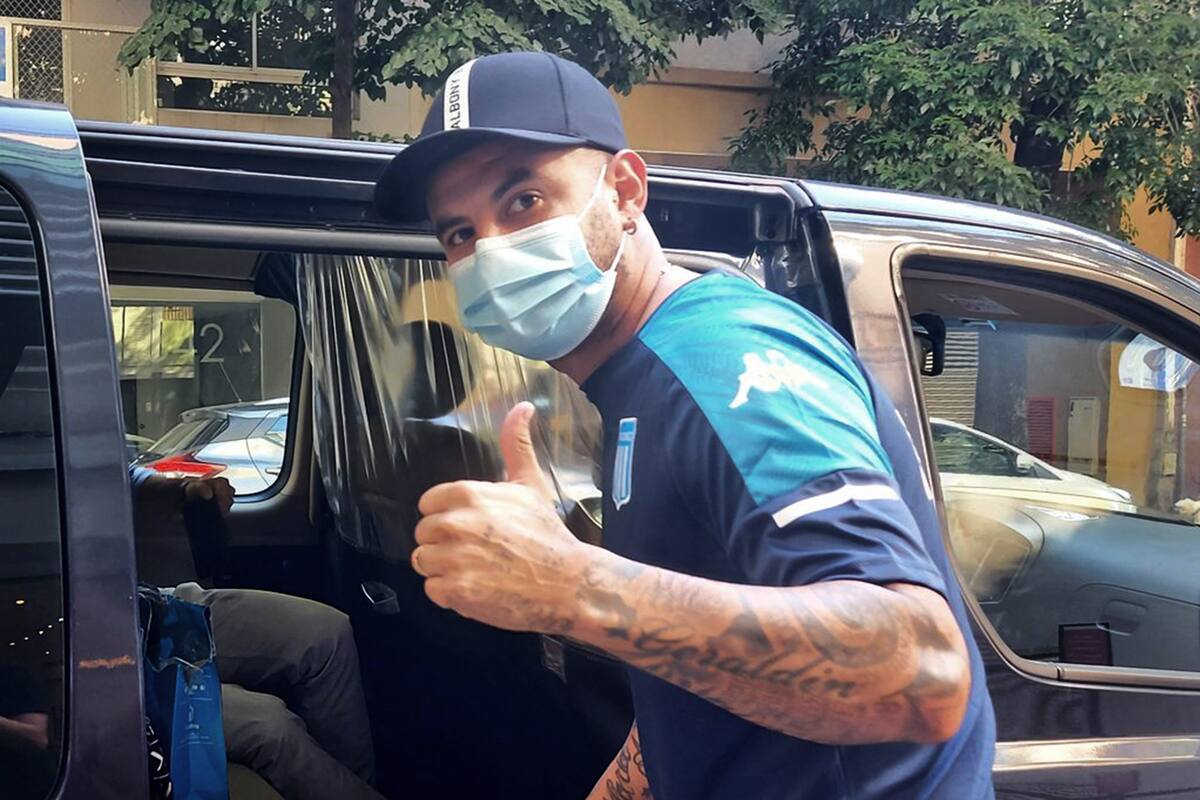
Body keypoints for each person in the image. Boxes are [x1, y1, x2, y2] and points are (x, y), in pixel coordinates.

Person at [373, 52, 996, 799]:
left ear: (626, 191)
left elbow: (921, 675)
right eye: (460, 235)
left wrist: (572, 586)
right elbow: (694, 681)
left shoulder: (724, 359)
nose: (493, 249)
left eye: (525, 200)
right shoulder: (635, 379)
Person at [129, 465, 383, 800]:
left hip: (138, 604)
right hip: (83, 648)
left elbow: (120, 478)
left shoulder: (71, 434)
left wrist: (182, 491)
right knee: (268, 725)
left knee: (324, 634)